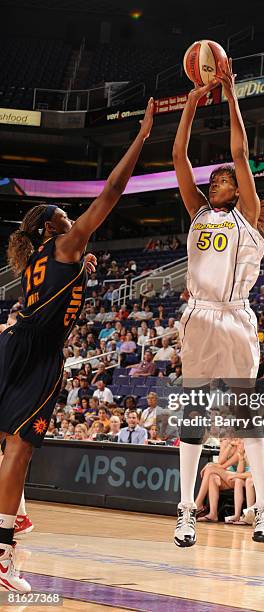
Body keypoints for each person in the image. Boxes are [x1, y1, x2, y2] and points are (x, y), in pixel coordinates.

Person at [0, 98, 154, 592]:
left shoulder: (39, 257)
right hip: (38, 354)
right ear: (51, 226)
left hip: (14, 344)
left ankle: (12, 525)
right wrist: (142, 138)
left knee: (9, 448)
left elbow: (53, 291)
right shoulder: (66, 243)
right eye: (66, 215)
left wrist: (80, 275)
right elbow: (111, 191)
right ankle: (3, 554)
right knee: (21, 451)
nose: (74, 219)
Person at [171, 60, 264, 547]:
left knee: (244, 417)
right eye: (213, 181)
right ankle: (185, 509)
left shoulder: (248, 217)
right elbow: (179, 158)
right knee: (193, 416)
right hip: (198, 317)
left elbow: (240, 150)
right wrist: (191, 105)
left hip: (235, 315)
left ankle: (263, 510)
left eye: (226, 179)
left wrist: (231, 96)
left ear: (239, 187)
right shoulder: (196, 212)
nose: (218, 182)